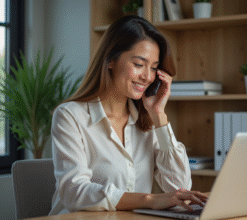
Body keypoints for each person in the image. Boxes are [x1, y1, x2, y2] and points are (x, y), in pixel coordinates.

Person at [49, 15, 207, 215]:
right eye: (139, 65)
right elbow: (74, 191)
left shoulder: (148, 121)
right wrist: (148, 200)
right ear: (111, 60)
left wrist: (159, 116)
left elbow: (178, 186)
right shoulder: (70, 116)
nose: (148, 77)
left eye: (154, 68)